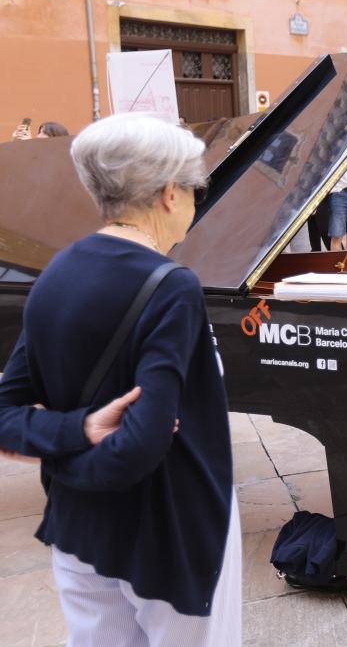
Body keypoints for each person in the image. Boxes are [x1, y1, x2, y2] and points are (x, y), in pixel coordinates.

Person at [0, 114, 240, 643]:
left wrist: (71, 436)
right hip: (170, 533)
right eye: (195, 190)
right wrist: (81, 444)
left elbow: (6, 415)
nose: (194, 206)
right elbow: (142, 444)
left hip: (79, 531)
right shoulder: (172, 285)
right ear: (168, 194)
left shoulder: (54, 274)